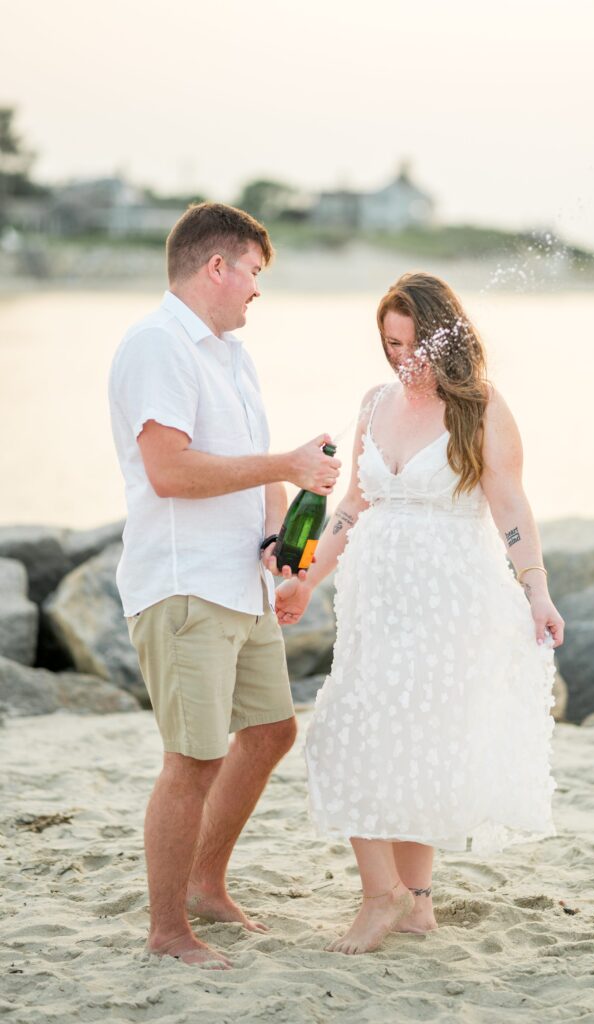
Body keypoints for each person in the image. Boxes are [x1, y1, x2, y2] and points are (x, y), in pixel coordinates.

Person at [274, 272, 563, 956]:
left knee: (404, 744)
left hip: (449, 602)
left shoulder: (480, 407)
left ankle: (392, 898)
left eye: (411, 344)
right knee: (359, 734)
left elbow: (510, 507)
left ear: (444, 336)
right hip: (375, 603)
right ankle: (411, 905)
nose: (402, 360)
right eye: (389, 345)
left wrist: (537, 590)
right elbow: (351, 505)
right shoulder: (374, 403)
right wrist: (308, 579)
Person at [108, 203, 340, 969]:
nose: (255, 291)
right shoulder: (156, 344)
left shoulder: (229, 354)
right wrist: (286, 466)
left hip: (238, 582)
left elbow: (253, 458)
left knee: (271, 731)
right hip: (183, 585)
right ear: (216, 267)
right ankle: (167, 930)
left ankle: (206, 885)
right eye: (252, 272)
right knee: (193, 759)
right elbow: (169, 472)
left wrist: (277, 538)